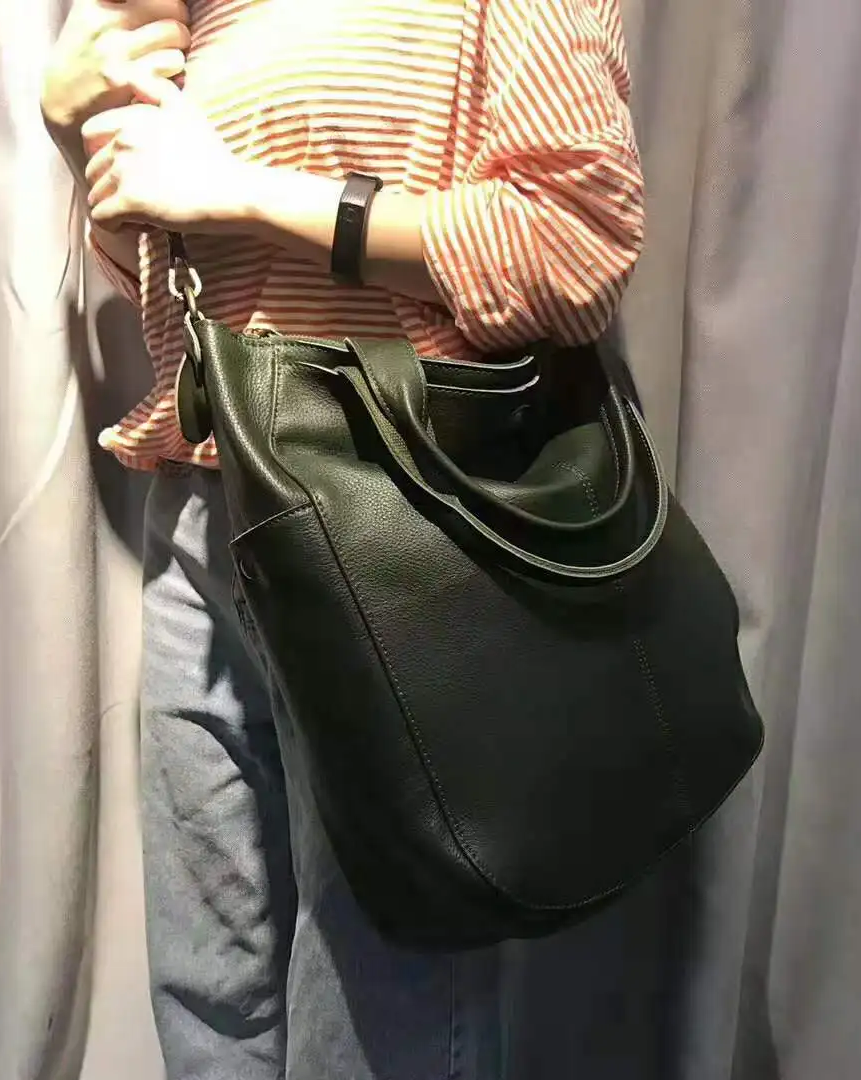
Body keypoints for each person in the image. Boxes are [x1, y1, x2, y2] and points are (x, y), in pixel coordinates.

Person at [41, 1, 645, 1077]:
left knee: (378, 1002)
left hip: (396, 513)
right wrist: (80, 123)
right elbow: (181, 288)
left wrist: (243, 191)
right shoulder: (202, 17)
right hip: (204, 513)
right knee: (206, 985)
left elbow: (574, 247)